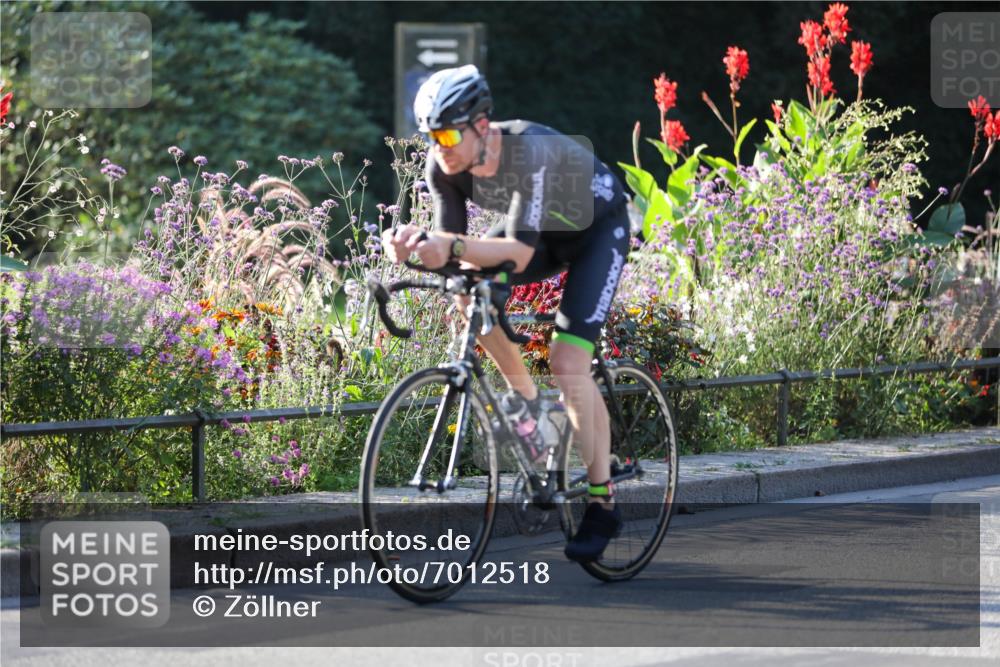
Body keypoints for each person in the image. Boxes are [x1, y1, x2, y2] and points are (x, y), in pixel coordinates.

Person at [381, 65, 631, 562]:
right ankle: (532, 408)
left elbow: (516, 251)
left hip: (595, 234)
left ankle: (603, 504)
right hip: (541, 237)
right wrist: (411, 244)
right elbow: (453, 252)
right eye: (431, 137)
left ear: (482, 124)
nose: (441, 146)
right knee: (465, 287)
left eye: (450, 133)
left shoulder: (527, 153)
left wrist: (446, 244)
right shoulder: (442, 167)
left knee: (568, 364)